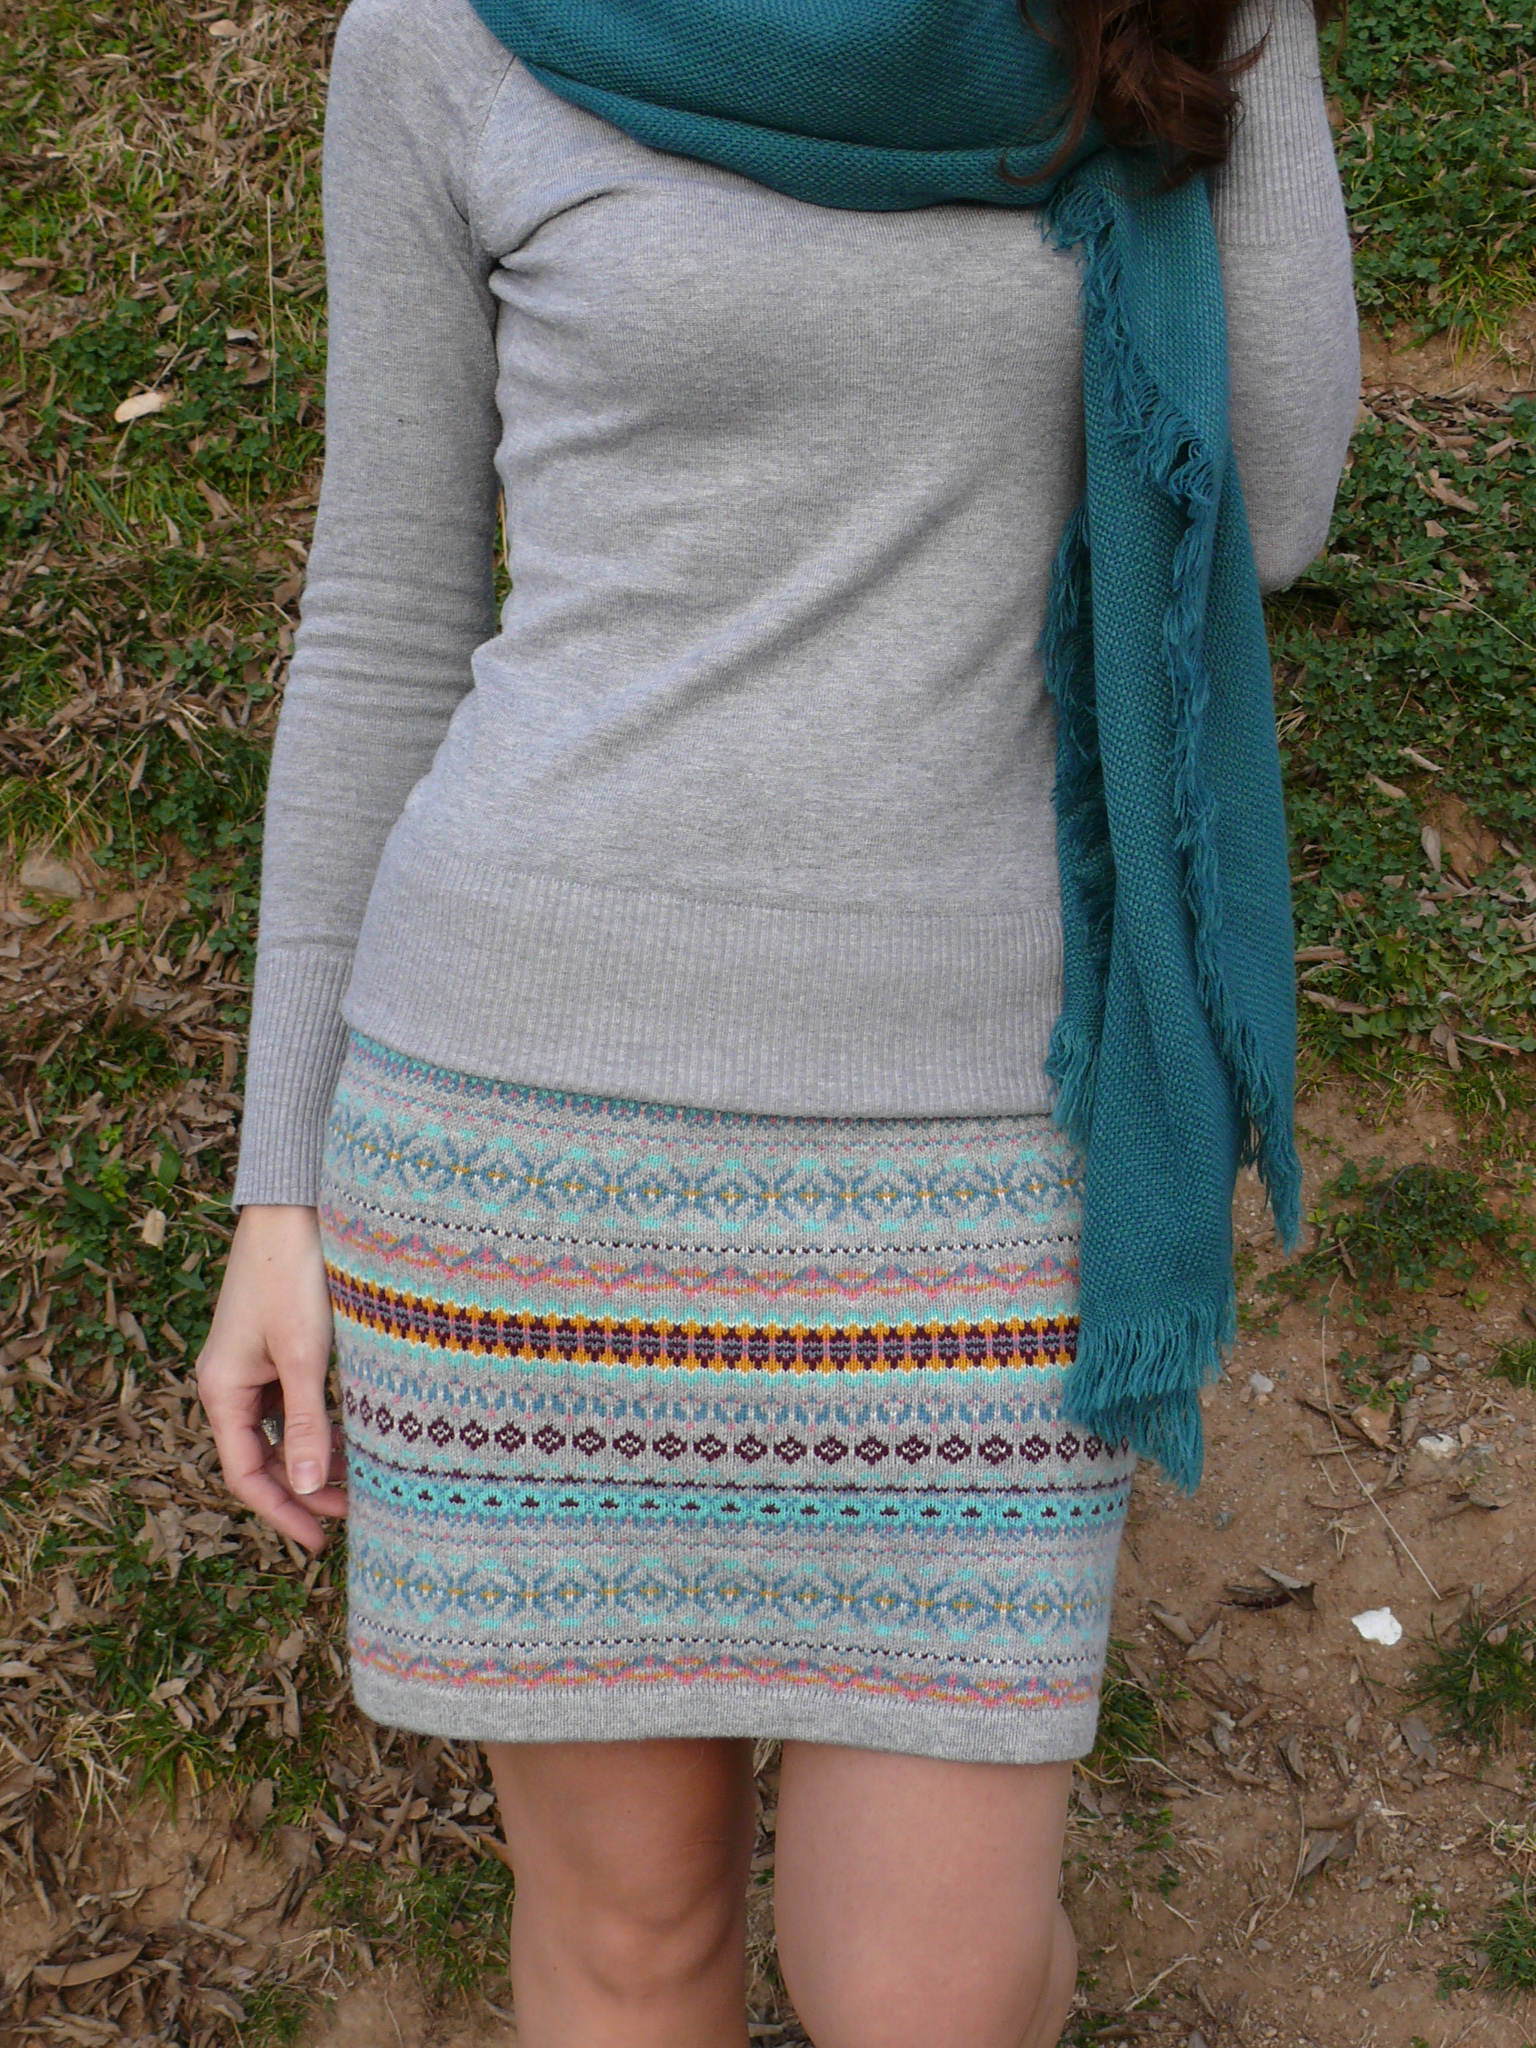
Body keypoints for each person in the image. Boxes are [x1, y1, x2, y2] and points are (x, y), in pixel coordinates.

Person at [197, 0, 1358, 2039]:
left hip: (981, 1136)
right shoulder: (445, 42)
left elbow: (1261, 509)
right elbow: (382, 618)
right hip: (520, 1148)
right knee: (632, 1937)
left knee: (932, 1991)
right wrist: (277, 1187)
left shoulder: (1142, 28)